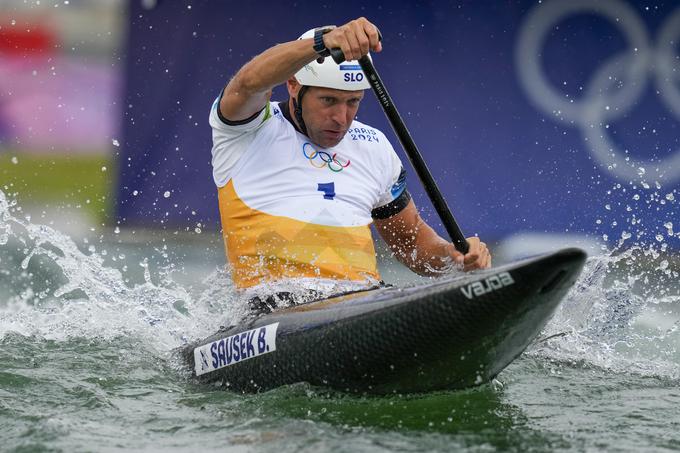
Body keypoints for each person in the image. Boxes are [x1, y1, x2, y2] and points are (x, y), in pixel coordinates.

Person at [209, 17, 491, 301]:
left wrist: (453, 256)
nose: (341, 118)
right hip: (272, 309)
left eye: (353, 102)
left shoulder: (374, 145)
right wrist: (322, 44)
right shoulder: (247, 128)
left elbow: (411, 242)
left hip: (358, 302)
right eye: (328, 101)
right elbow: (248, 83)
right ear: (293, 85)